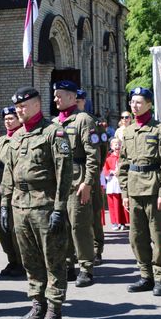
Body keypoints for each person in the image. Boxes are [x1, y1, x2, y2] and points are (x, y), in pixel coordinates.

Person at [0, 86, 73, 319]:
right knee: (29, 259)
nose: (19, 111)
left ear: (36, 105)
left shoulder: (54, 133)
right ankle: (37, 305)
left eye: (23, 106)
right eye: (17, 107)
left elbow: (64, 173)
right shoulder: (17, 136)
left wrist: (60, 209)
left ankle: (54, 310)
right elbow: (8, 173)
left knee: (53, 259)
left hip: (45, 205)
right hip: (20, 206)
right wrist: (4, 204)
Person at [118, 87, 161, 297]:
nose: (134, 105)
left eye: (139, 102)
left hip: (153, 188)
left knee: (158, 235)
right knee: (136, 236)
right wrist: (124, 193)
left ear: (149, 104)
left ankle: (160, 278)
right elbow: (123, 164)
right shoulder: (129, 130)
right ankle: (145, 275)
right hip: (134, 189)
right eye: (132, 102)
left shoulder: (159, 129)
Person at [53, 81, 100, 287]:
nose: (56, 99)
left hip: (77, 180)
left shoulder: (83, 120)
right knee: (62, 226)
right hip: (59, 183)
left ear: (72, 97)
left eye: (60, 95)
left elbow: (93, 154)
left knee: (79, 226)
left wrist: (88, 183)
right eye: (55, 95)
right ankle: (68, 264)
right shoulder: (54, 123)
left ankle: (86, 268)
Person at [0, 106, 25, 277]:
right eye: (5, 119)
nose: (7, 121)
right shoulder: (0, 140)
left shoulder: (22, 139)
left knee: (14, 228)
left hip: (14, 192)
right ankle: (11, 259)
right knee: (1, 227)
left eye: (11, 118)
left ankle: (22, 262)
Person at [77, 88, 106, 266]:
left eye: (79, 101)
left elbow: (100, 151)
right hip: (73, 177)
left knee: (93, 213)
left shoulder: (94, 122)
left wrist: (93, 174)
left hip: (90, 175)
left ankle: (96, 248)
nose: (77, 104)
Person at [102, 138, 129, 230]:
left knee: (122, 203)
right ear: (111, 146)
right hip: (112, 182)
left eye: (119, 144)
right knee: (114, 203)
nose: (118, 146)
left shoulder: (124, 157)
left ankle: (123, 222)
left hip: (122, 182)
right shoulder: (108, 157)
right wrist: (112, 172)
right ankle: (114, 222)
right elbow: (105, 170)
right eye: (115, 145)